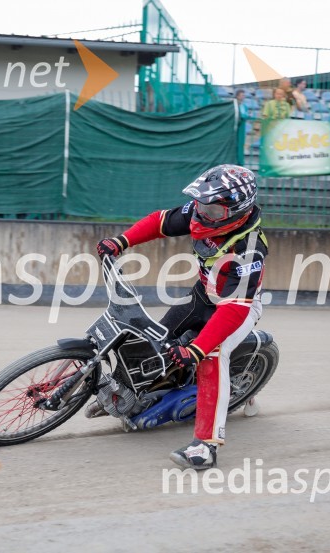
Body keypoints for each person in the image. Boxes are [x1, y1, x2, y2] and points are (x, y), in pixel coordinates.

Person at [96, 165, 267, 470]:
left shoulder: (249, 250)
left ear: (235, 212)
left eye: (212, 209)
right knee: (156, 338)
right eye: (201, 205)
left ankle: (206, 446)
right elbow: (161, 221)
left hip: (235, 308)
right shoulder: (204, 212)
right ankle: (129, 392)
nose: (201, 214)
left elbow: (233, 310)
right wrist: (121, 241)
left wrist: (197, 349)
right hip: (204, 294)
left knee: (211, 355)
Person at [234, 90, 250, 165]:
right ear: (237, 96)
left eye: (244, 95)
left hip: (241, 128)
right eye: (241, 95)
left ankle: (240, 162)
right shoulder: (234, 105)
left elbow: (245, 115)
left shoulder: (244, 106)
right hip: (235, 128)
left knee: (240, 144)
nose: (243, 97)